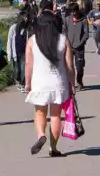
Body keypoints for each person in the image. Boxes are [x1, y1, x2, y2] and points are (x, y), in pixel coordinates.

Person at [25, 9, 75, 157]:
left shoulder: (33, 40)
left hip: (40, 83)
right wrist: (72, 84)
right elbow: (70, 66)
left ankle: (41, 134)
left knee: (40, 112)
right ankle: (53, 148)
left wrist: (27, 83)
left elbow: (28, 64)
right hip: (58, 83)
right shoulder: (63, 40)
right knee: (56, 116)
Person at [6, 4, 33, 91]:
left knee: (23, 68)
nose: (26, 19)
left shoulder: (28, 28)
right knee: (17, 70)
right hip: (15, 52)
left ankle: (22, 83)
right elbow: (9, 40)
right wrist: (9, 53)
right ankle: (18, 80)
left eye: (27, 17)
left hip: (24, 52)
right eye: (24, 17)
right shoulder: (13, 28)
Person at [64, 2, 89, 91]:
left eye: (74, 11)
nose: (73, 13)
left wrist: (80, 43)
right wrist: (67, 43)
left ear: (77, 11)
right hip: (69, 47)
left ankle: (79, 82)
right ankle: (70, 83)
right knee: (68, 66)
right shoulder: (67, 20)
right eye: (71, 12)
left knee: (79, 67)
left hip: (79, 48)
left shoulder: (83, 20)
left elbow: (86, 34)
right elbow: (64, 32)